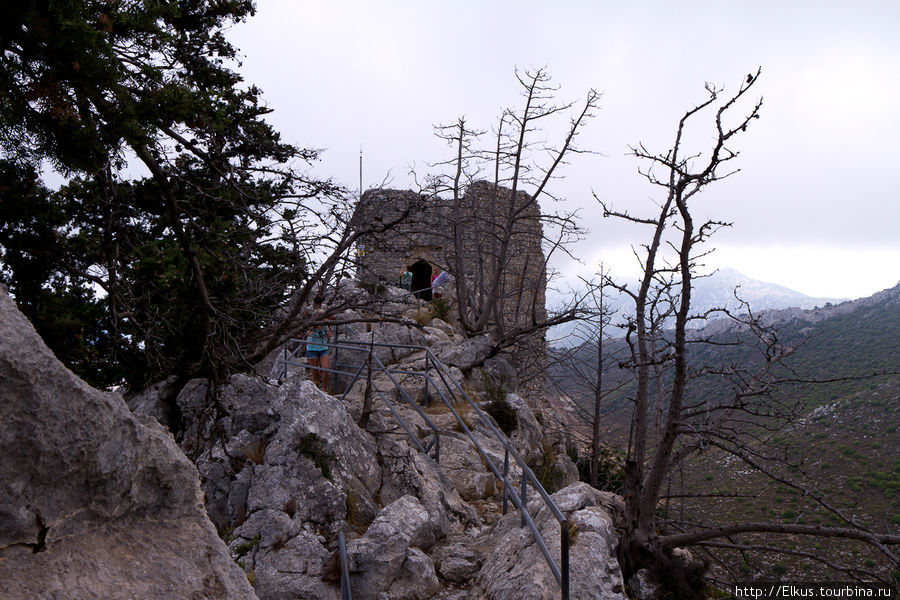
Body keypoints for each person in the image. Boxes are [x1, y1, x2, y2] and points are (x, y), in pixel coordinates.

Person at [305, 304, 331, 391]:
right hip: (312, 349)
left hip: (323, 349)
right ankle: (316, 389)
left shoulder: (324, 325)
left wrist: (327, 327)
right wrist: (313, 327)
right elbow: (308, 333)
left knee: (326, 369)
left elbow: (329, 335)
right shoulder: (312, 325)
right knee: (314, 373)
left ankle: (324, 389)